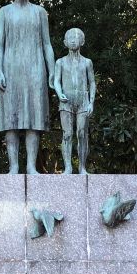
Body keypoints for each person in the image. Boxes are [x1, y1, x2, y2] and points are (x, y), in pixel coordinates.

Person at [0, 0, 55, 174]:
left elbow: (47, 44)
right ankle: (13, 166)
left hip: (35, 68)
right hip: (10, 68)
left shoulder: (39, 12)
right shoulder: (4, 12)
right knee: (10, 119)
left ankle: (30, 166)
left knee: (34, 118)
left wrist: (51, 71)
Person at [53, 28, 96, 174]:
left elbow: (92, 83)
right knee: (67, 134)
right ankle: (68, 167)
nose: (73, 39)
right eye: (70, 37)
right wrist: (59, 93)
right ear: (65, 42)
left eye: (76, 37)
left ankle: (82, 167)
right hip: (66, 101)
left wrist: (91, 102)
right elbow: (56, 81)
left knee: (82, 133)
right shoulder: (60, 62)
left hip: (83, 100)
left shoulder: (87, 62)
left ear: (82, 41)